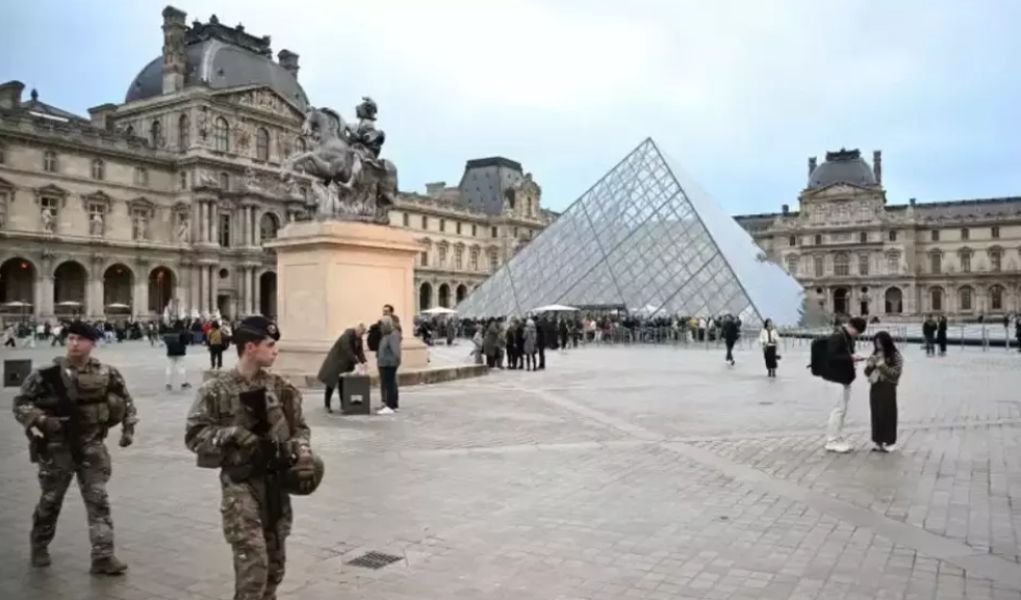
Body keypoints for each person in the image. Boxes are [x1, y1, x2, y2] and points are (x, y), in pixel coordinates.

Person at [185, 316, 320, 600]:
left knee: (275, 567)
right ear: (250, 347)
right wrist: (231, 434)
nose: (275, 350)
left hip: (276, 486)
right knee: (254, 567)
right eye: (270, 345)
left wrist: (303, 452)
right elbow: (195, 436)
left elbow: (300, 429)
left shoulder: (281, 388)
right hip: (241, 485)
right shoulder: (216, 390)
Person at [12, 321, 138, 573]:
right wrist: (41, 420)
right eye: (70, 338)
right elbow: (21, 403)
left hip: (91, 446)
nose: (74, 343)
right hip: (57, 449)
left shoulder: (106, 372)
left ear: (92, 343)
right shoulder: (47, 374)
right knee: (50, 501)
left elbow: (125, 400)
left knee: (98, 501)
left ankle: (103, 556)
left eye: (80, 339)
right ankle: (39, 545)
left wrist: (128, 428)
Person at [824, 316, 867, 453]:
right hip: (835, 377)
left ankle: (837, 436)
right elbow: (830, 357)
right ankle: (831, 440)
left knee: (842, 409)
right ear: (850, 325)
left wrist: (853, 357)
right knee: (838, 409)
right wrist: (851, 357)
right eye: (856, 330)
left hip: (844, 376)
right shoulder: (838, 337)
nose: (856, 333)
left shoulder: (848, 338)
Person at [864, 331, 904, 453]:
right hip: (876, 386)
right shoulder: (875, 354)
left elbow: (895, 374)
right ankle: (878, 440)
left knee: (888, 413)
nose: (878, 345)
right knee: (876, 414)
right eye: (876, 343)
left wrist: (882, 366)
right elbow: (867, 373)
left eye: (880, 342)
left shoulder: (895, 355)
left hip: (888, 387)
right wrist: (870, 365)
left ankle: (890, 441)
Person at [317, 324, 367, 413]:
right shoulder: (346, 337)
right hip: (335, 362)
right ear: (357, 330)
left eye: (362, 334)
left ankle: (344, 405)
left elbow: (359, 351)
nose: (361, 336)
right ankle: (327, 405)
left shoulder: (358, 339)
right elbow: (348, 351)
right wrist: (357, 362)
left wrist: (364, 361)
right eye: (361, 333)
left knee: (343, 384)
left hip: (345, 364)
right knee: (330, 384)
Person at [376, 316, 402, 414]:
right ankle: (392, 404)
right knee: (389, 384)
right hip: (385, 363)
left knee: (390, 385)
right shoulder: (386, 335)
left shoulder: (393, 335)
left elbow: (396, 351)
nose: (381, 328)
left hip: (389, 364)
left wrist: (395, 361)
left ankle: (390, 405)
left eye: (382, 325)